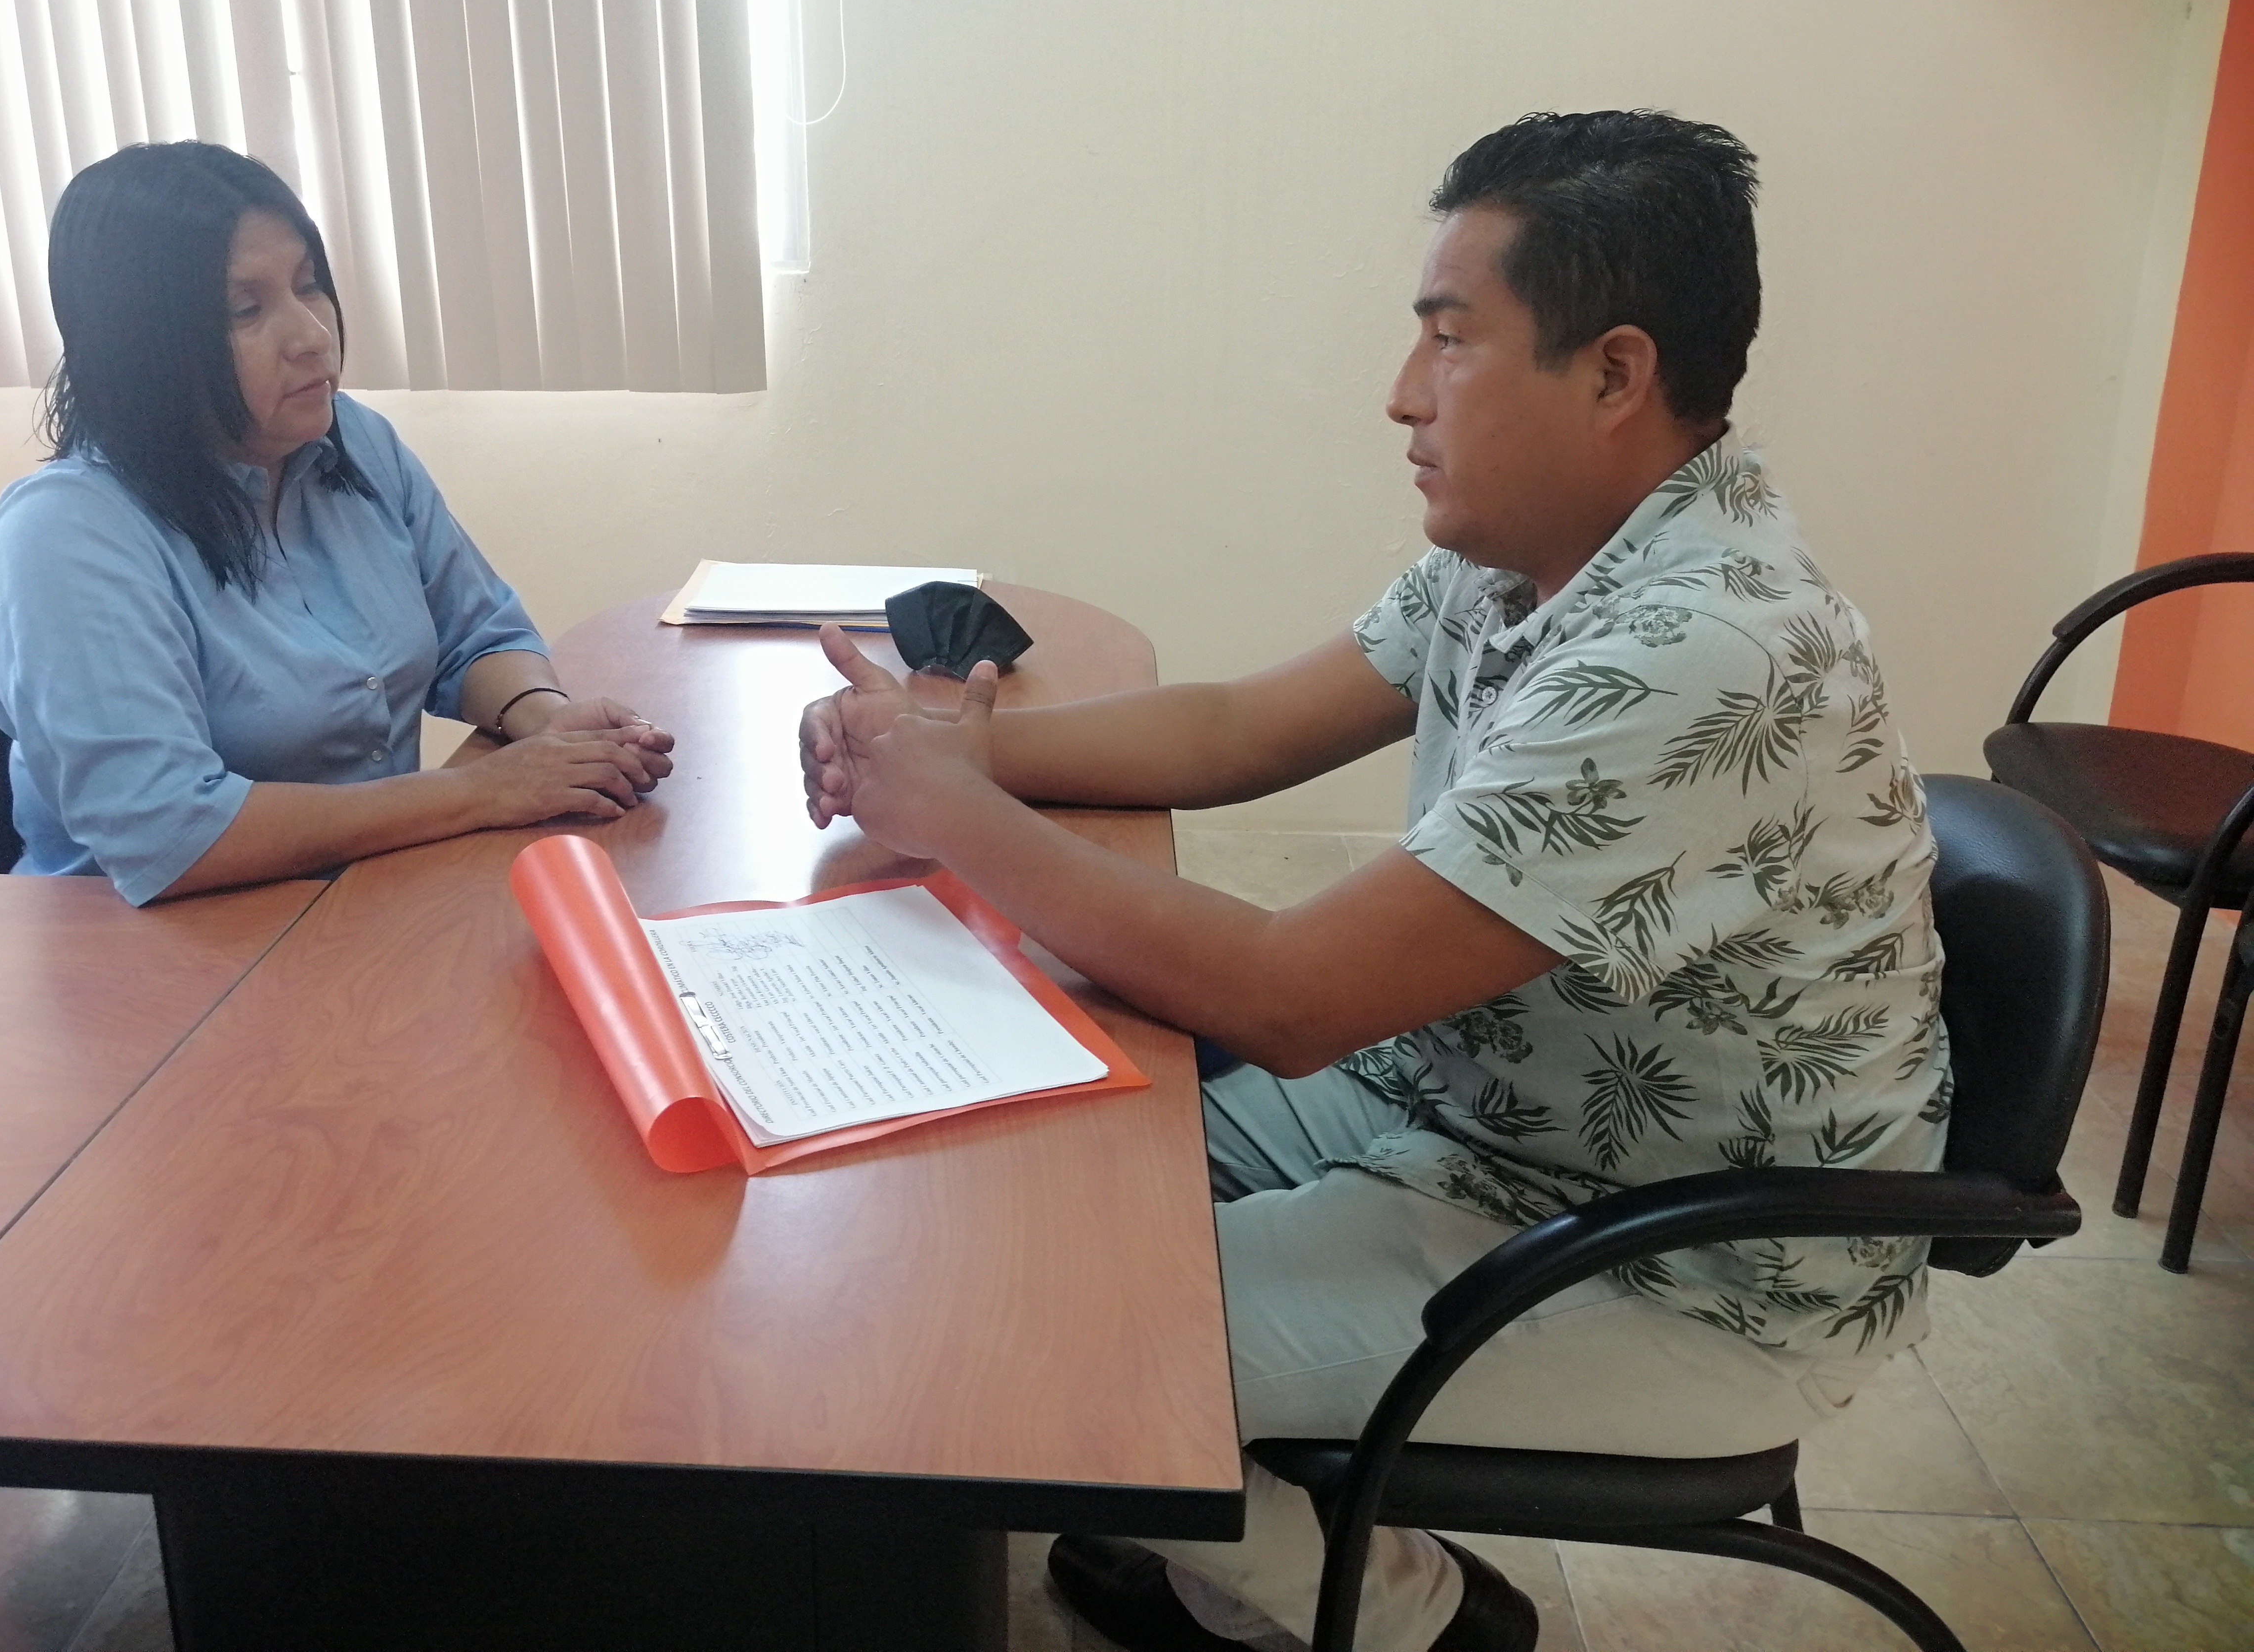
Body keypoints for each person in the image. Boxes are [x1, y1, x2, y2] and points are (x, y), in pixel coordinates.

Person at [797, 112, 1946, 1652]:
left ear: (1614, 375)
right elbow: (1239, 727)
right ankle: (1242, 1551)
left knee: (1030, 1351)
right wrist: (956, 752)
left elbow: (1292, 1001)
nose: (1405, 393)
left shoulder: (1705, 648)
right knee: (1035, 1188)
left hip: (1681, 1263)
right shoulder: (1526, 545)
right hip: (1474, 1113)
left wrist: (956, 813)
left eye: (1451, 341)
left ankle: (1418, 1615)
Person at [0, 141, 672, 906]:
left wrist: (546, 722)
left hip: (360, 902)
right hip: (155, 950)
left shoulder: (355, 440)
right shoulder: (64, 537)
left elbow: (477, 635)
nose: (311, 333)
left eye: (309, 285)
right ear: (143, 344)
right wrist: (489, 790)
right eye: (246, 310)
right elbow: (171, 834)